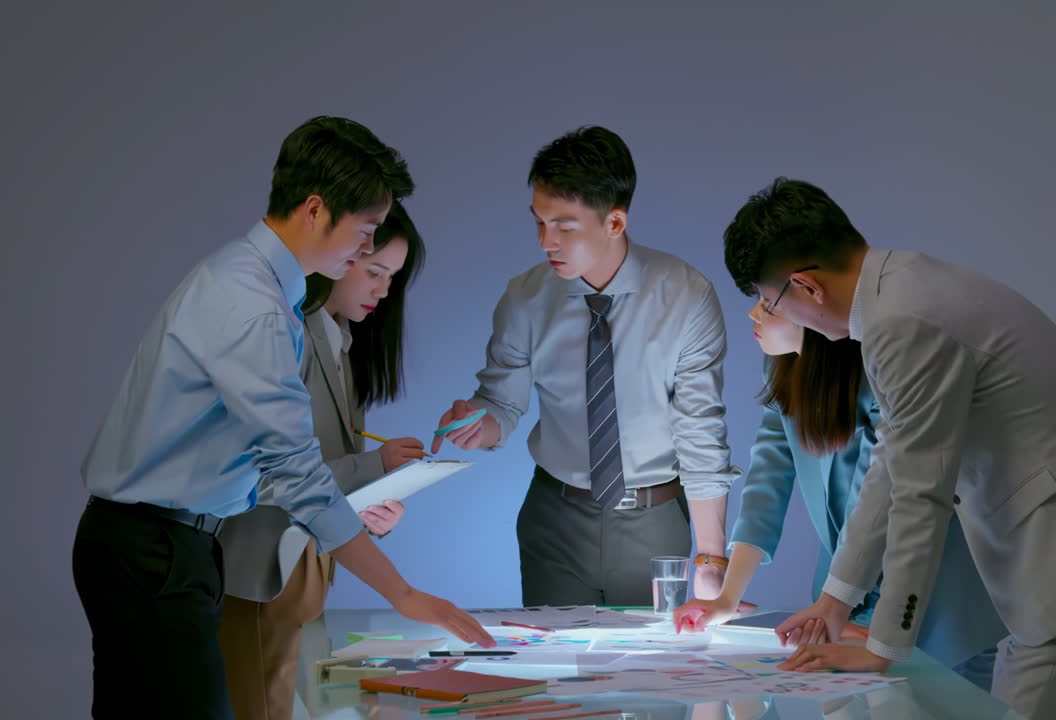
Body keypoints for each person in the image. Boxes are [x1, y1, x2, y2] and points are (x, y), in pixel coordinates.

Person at [721, 178, 1056, 719]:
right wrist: (835, 599)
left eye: (769, 299)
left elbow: (921, 496)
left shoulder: (899, 324)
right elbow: (891, 467)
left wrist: (882, 648)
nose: (766, 313)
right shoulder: (906, 284)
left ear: (806, 287)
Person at [73, 116, 492, 720]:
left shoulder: (251, 283)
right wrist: (402, 593)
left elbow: (262, 466)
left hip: (158, 543)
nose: (367, 251)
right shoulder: (253, 303)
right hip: (155, 549)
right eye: (366, 231)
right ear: (316, 210)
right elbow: (295, 469)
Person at [431, 126, 741, 606]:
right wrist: (478, 424)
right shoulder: (526, 296)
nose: (544, 242)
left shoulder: (686, 295)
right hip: (554, 520)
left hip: (653, 522)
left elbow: (700, 428)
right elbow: (500, 404)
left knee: (660, 677)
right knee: (555, 675)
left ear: (615, 223)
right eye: (538, 222)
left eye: (563, 226)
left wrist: (712, 559)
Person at [673, 303, 1004, 688]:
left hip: (937, 601)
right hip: (841, 598)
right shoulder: (782, 366)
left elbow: (876, 503)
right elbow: (767, 480)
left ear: (808, 304)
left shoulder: (881, 373)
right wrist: (727, 597)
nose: (752, 313)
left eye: (767, 303)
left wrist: (846, 613)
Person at [218, 202, 428, 719]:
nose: (382, 290)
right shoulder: (288, 330)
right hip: (261, 571)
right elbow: (266, 472)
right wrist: (372, 467)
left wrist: (372, 506)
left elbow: (326, 476)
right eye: (374, 271)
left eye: (392, 278)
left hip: (307, 577)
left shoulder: (342, 342)